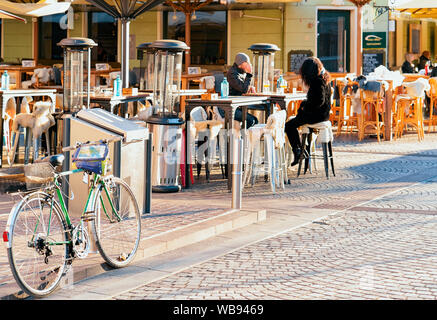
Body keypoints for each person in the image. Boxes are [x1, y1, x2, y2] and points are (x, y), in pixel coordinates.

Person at [284, 57, 332, 166]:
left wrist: (304, 107)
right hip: (322, 115)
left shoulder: (317, 81)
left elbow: (319, 101)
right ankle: (301, 149)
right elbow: (317, 100)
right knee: (294, 121)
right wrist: (305, 105)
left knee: (289, 126)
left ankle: (298, 151)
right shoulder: (324, 77)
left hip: (316, 115)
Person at [217, 53, 258, 128]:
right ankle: (242, 138)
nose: (249, 65)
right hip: (227, 108)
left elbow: (243, 88)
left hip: (236, 105)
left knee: (255, 120)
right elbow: (243, 89)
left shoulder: (241, 72)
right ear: (241, 63)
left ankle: (243, 138)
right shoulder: (232, 73)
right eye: (247, 63)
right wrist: (249, 74)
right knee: (251, 120)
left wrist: (250, 87)